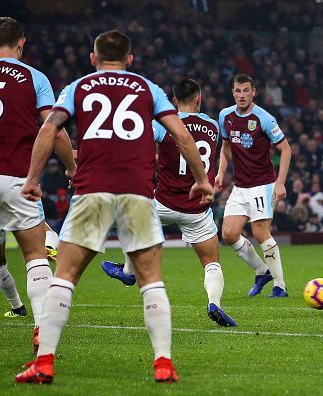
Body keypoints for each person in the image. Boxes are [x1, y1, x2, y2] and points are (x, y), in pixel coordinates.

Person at [15, 30, 213, 384]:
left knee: (65, 276)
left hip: (92, 192)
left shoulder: (78, 87)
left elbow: (48, 130)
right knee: (151, 280)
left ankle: (44, 361)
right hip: (137, 194)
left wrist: (32, 178)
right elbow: (182, 135)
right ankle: (163, 363)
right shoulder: (147, 88)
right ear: (130, 58)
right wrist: (202, 178)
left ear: (93, 58)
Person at [101, 77, 236, 327]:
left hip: (162, 203)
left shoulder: (162, 124)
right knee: (211, 264)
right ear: (199, 98)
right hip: (197, 209)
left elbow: (141, 148)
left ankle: (129, 271)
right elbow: (189, 153)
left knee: (130, 220)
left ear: (174, 100)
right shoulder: (212, 125)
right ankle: (214, 303)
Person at [0, 17, 75, 345]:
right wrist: (72, 169)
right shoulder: (34, 78)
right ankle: (41, 327)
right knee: (35, 254)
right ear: (21, 42)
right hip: (14, 176)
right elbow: (53, 129)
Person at [216, 74, 291, 298]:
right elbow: (225, 147)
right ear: (233, 93)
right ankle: (262, 271)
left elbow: (286, 150)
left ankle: (280, 286)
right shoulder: (225, 116)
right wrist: (221, 172)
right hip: (240, 186)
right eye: (238, 91)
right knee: (228, 234)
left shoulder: (264, 119)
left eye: (246, 91)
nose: (241, 95)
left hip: (263, 184)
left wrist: (280, 182)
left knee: (260, 232)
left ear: (253, 92)